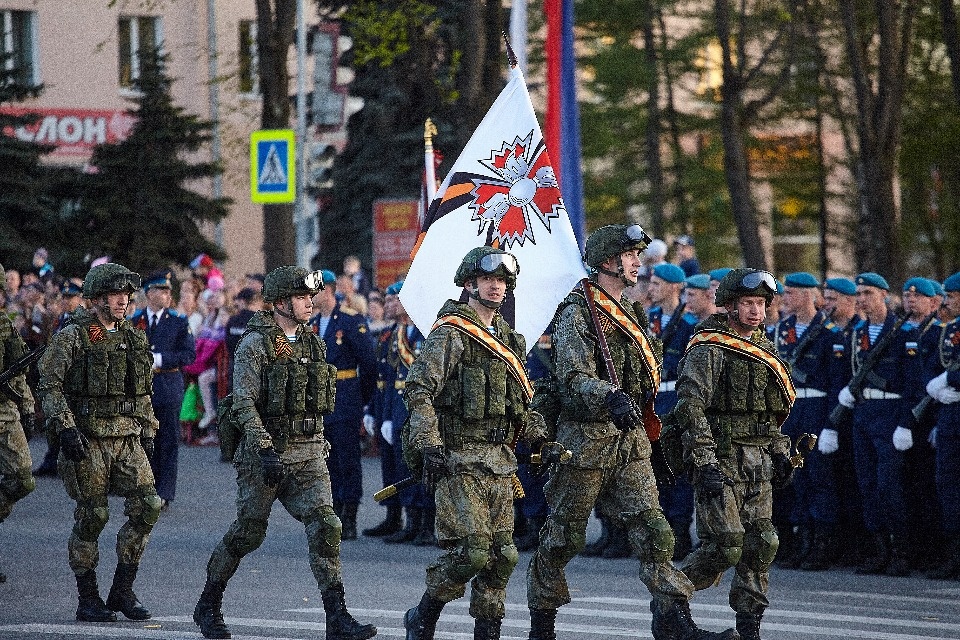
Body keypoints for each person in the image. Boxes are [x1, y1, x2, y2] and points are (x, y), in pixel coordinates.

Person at [527, 225, 735, 640]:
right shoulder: (577, 313)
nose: (637, 262)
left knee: (654, 533)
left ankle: (676, 622)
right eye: (629, 255)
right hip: (585, 441)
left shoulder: (632, 313)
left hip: (629, 439)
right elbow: (572, 376)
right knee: (562, 540)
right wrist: (607, 396)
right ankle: (542, 626)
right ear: (607, 262)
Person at [193, 266, 376, 640]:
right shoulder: (255, 344)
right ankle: (208, 603)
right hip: (267, 454)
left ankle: (336, 617)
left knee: (327, 525)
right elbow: (242, 402)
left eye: (311, 296)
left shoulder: (312, 342)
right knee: (248, 533)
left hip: (307, 453)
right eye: (301, 297)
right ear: (280, 303)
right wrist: (263, 449)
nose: (310, 302)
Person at [402, 247, 549, 640]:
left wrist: (539, 437)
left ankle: (488, 632)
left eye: (502, 281)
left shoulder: (507, 338)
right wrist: (429, 444)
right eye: (488, 280)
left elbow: (522, 400)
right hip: (459, 458)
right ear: (470, 284)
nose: (496, 287)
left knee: (502, 557)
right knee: (473, 552)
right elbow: (419, 389)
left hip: (500, 462)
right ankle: (424, 613)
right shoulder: (452, 333)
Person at [672, 268, 796, 640]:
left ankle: (749, 626)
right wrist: (704, 461)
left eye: (761, 304)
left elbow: (772, 412)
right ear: (728, 306)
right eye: (747, 304)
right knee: (725, 545)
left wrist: (780, 454)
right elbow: (690, 407)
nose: (756, 311)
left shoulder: (764, 349)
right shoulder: (709, 347)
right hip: (721, 459)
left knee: (762, 543)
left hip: (757, 461)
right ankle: (670, 600)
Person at [37, 262, 161, 622]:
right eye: (114, 294)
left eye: (126, 294)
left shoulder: (131, 336)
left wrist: (148, 429)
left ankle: (122, 590)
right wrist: (65, 428)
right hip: (88, 438)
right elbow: (50, 385)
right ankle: (88, 597)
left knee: (149, 505)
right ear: (96, 299)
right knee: (93, 515)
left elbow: (142, 390)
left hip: (126, 437)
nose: (122, 300)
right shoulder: (74, 336)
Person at [835, 273, 922, 576]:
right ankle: (879, 548)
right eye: (858, 293)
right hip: (864, 413)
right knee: (867, 483)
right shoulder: (858, 332)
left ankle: (901, 551)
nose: (861, 299)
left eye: (867, 293)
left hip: (890, 411)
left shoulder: (902, 332)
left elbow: (914, 382)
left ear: (884, 295)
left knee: (890, 485)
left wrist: (906, 423)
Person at [771, 272, 842, 571]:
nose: (785, 298)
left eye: (791, 293)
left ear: (807, 294)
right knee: (791, 477)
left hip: (815, 407)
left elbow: (836, 382)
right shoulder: (782, 329)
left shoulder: (828, 332)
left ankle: (822, 542)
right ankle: (801, 539)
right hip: (790, 408)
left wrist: (830, 425)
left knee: (818, 477)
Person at [310, 270, 377, 540]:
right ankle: (331, 512)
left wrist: (361, 399)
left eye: (313, 291)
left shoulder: (350, 321)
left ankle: (349, 516)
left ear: (327, 290)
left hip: (344, 397)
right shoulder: (313, 324)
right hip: (319, 403)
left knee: (347, 460)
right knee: (325, 462)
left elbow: (368, 364)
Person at [131, 271, 196, 511]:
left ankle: (164, 492)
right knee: (144, 440)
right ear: (149, 293)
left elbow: (189, 355)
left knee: (168, 440)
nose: (167, 295)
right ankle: (146, 488)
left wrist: (160, 359)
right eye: (162, 290)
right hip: (142, 389)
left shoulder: (178, 321)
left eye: (169, 291)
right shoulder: (135, 321)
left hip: (168, 385)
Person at [376, 281, 434, 546]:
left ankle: (427, 525)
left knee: (424, 468)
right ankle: (411, 522)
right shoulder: (396, 334)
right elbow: (390, 379)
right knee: (404, 467)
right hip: (399, 409)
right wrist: (386, 415)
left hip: (422, 411)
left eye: (395, 299)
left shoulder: (426, 332)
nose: (391, 304)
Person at [648, 263, 699, 561]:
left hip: (676, 400)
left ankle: (679, 531)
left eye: (657, 283)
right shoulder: (648, 319)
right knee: (655, 470)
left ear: (674, 287)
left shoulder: (689, 323)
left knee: (676, 470)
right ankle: (661, 530)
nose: (651, 288)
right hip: (653, 401)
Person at [0, 263, 37, 584]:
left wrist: (27, 406)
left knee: (23, 479)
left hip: (5, 413)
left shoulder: (6, 328)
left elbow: (19, 370)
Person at [923, 271, 960, 579]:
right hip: (950, 415)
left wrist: (951, 379)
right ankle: (953, 554)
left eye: (953, 296)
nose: (948, 302)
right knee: (947, 484)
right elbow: (936, 367)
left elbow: (949, 372)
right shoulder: (951, 330)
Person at [34, 278, 86, 478]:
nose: (66, 301)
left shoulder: (87, 322)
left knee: (75, 424)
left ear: (80, 298)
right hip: (59, 379)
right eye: (64, 297)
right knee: (55, 422)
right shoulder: (60, 319)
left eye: (70, 297)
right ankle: (51, 462)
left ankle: (76, 466)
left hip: (75, 379)